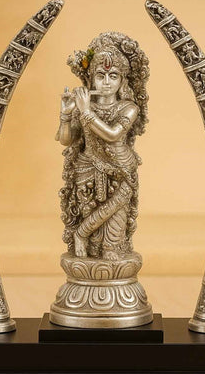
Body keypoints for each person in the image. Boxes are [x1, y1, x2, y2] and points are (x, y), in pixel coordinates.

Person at [56, 33, 150, 260]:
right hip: (87, 169)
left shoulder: (128, 108)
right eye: (100, 75)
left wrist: (86, 111)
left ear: (122, 81)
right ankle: (82, 236)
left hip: (121, 170)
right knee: (92, 228)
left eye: (113, 76)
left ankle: (89, 237)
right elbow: (66, 140)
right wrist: (66, 115)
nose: (106, 82)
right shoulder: (83, 105)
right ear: (91, 79)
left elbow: (113, 134)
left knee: (112, 245)